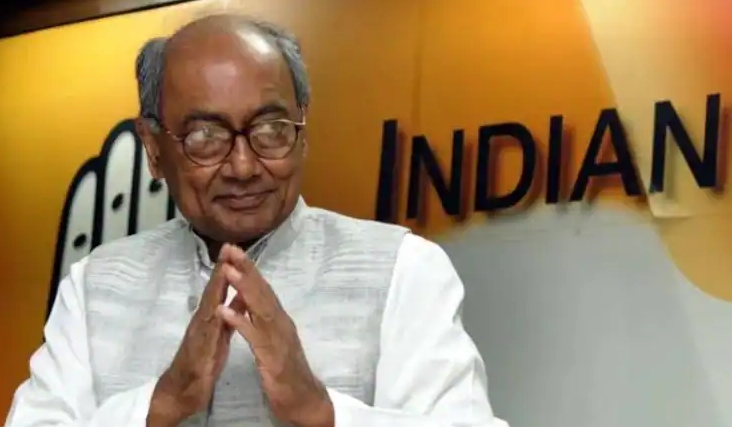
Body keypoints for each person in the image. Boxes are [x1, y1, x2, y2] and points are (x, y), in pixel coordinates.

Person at [5, 14, 509, 427]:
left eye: (271, 129)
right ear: (154, 149)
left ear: (303, 130)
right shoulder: (95, 286)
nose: (244, 167)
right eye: (206, 137)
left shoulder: (404, 268)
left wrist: (322, 413)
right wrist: (162, 403)